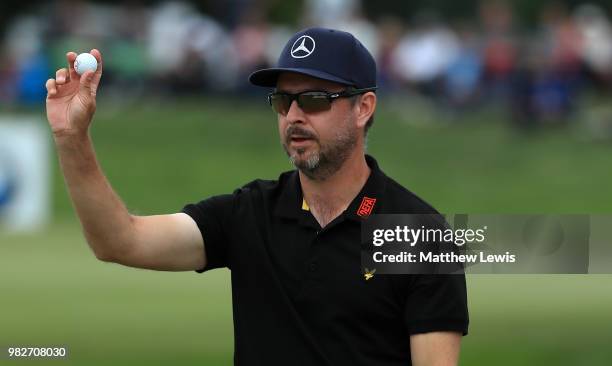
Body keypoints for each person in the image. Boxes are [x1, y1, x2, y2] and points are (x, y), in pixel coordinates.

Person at [45, 27, 468, 366]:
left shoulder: (419, 236)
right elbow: (119, 240)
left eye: (315, 99)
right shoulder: (250, 212)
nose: (294, 116)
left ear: (364, 108)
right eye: (284, 100)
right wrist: (71, 137)